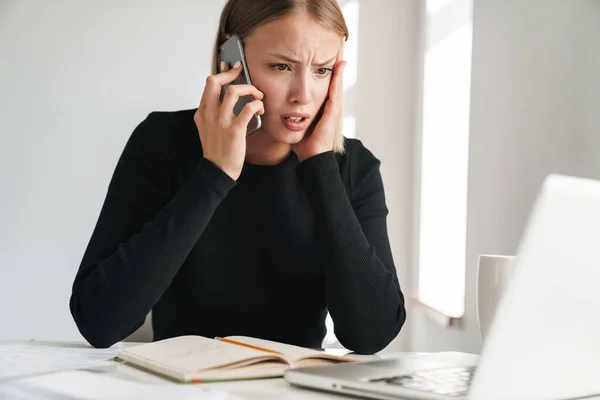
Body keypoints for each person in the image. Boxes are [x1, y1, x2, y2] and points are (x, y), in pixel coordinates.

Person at [69, 0, 406, 354]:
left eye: (322, 70)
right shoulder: (162, 143)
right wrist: (216, 173)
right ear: (233, 58)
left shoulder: (352, 168)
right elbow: (98, 322)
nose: (303, 96)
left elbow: (372, 335)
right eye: (281, 66)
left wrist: (320, 167)